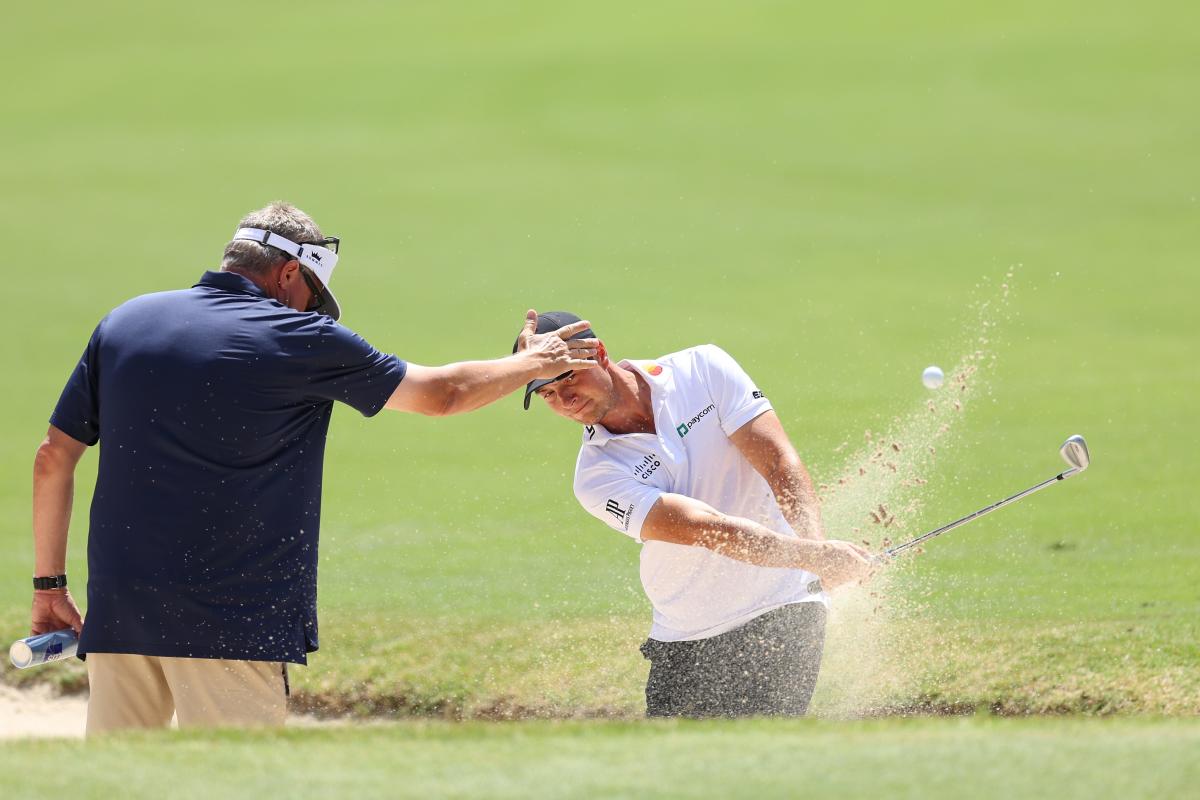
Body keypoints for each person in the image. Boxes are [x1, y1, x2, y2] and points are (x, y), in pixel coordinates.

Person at [31, 203, 598, 735]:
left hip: (121, 611)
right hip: (231, 621)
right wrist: (532, 362)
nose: (307, 308)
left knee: (119, 784)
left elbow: (54, 457)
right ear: (286, 274)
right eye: (309, 293)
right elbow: (442, 395)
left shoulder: (126, 323)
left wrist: (49, 585)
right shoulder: (298, 338)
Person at [515, 311, 873, 718]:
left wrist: (815, 548)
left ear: (598, 353)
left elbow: (778, 462)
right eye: (547, 395)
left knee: (764, 761)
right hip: (686, 640)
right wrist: (811, 557)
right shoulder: (596, 477)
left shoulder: (702, 369)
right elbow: (705, 529)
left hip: (785, 609)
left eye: (567, 379)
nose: (564, 401)